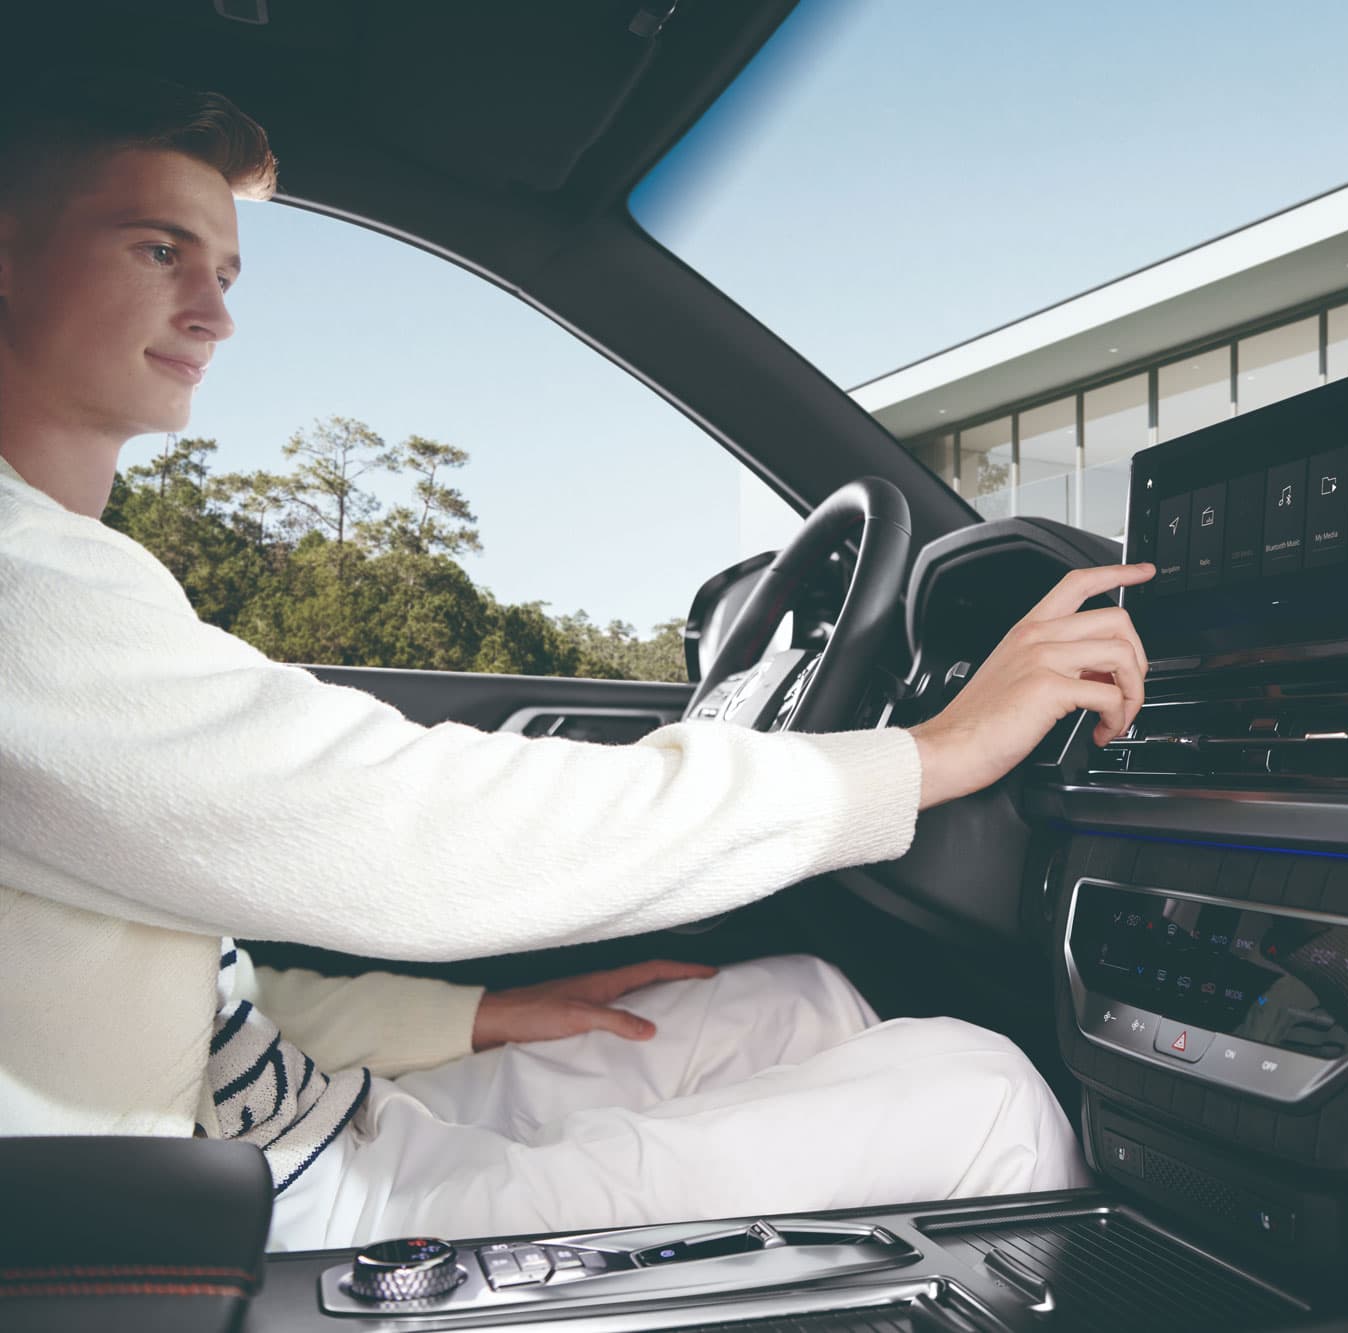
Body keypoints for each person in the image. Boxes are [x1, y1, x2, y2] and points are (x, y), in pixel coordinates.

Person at [0, 70, 1154, 1250]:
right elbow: (398, 825)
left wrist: (477, 1017)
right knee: (986, 1098)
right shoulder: (21, 585)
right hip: (215, 1234)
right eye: (159, 252)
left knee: (805, 997)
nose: (216, 314)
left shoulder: (62, 566)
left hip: (301, 1122)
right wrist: (928, 755)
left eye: (226, 271)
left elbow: (196, 977)